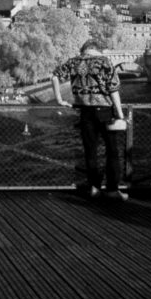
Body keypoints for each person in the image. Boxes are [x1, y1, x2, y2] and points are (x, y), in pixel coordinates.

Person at [50, 40, 127, 200]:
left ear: (85, 50)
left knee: (90, 152)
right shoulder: (104, 62)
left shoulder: (73, 62)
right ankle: (112, 190)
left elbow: (54, 76)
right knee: (112, 151)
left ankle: (94, 188)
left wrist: (59, 99)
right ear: (97, 49)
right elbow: (113, 90)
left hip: (85, 112)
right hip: (104, 112)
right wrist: (120, 114)